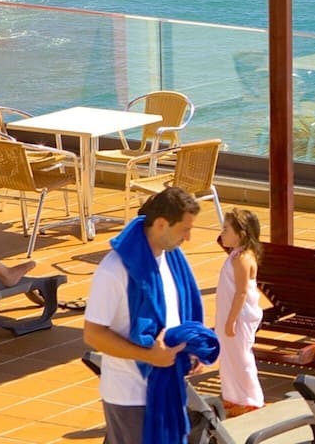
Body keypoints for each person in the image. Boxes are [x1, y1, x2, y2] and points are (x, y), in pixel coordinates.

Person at [83, 187, 207, 444]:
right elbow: (93, 334)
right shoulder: (114, 270)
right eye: (184, 229)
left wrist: (191, 347)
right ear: (161, 224)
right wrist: (149, 356)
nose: (188, 237)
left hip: (168, 388)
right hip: (130, 396)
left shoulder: (173, 259)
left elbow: (177, 312)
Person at [213, 209, 264, 418]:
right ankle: (234, 396)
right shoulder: (236, 255)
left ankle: (251, 399)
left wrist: (231, 320)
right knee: (229, 356)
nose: (222, 233)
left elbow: (242, 292)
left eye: (226, 229)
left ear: (241, 234)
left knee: (241, 357)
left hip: (238, 317)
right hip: (229, 312)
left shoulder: (242, 259)